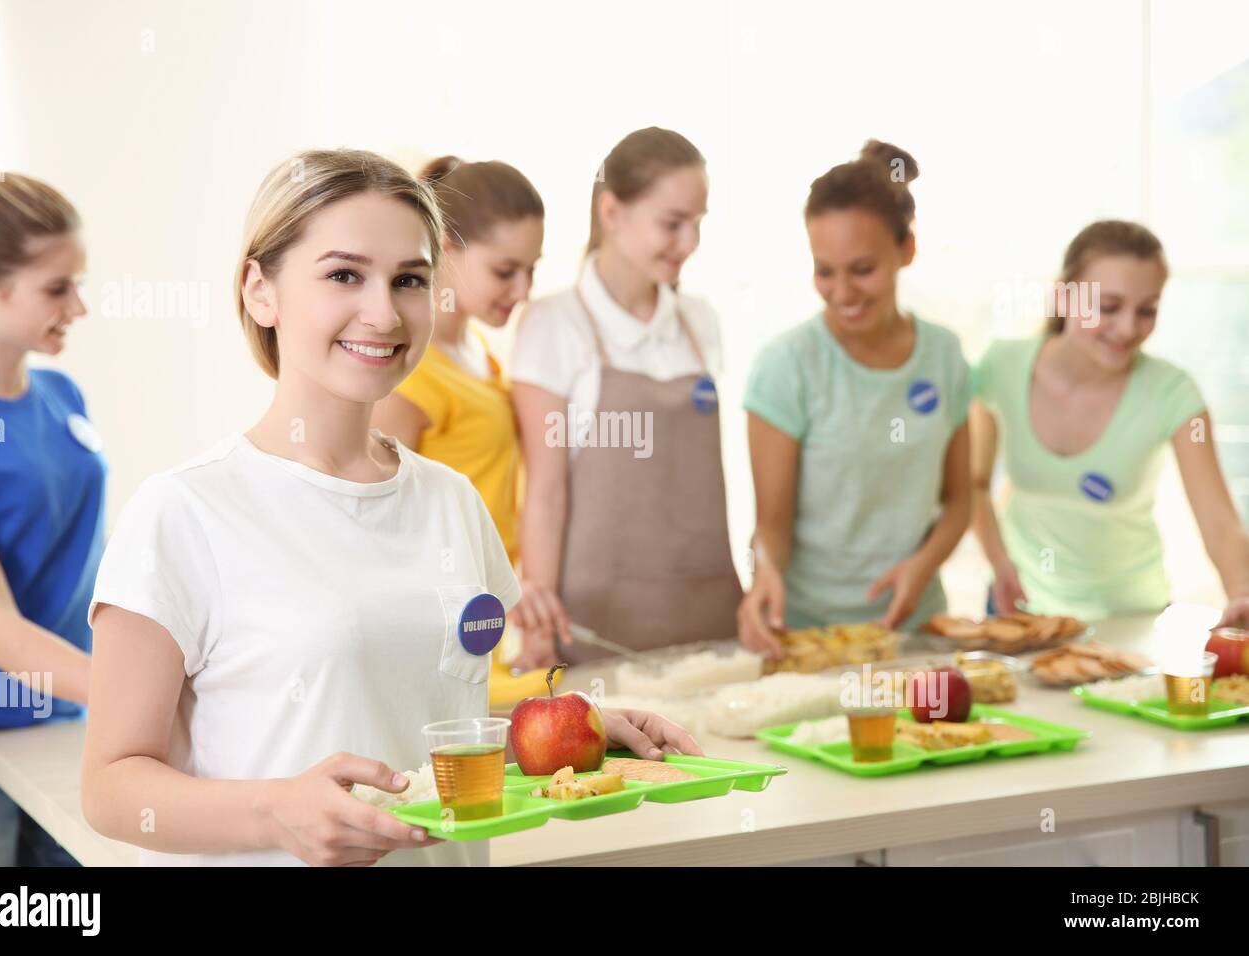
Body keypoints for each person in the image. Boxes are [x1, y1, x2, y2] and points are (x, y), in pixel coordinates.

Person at [81, 148, 700, 867]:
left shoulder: (452, 503)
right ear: (260, 290)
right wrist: (274, 812)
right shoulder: (184, 512)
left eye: (409, 280)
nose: (383, 312)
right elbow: (111, 788)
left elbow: (417, 726)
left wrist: (564, 731)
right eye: (344, 274)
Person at [511, 128, 740, 667]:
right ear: (611, 212)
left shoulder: (699, 322)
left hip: (711, 617)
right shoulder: (553, 324)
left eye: (698, 224)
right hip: (598, 626)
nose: (689, 243)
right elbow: (544, 491)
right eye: (673, 223)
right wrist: (539, 621)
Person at [738, 142, 971, 658]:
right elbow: (770, 529)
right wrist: (764, 576)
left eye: (862, 269)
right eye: (825, 270)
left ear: (906, 249)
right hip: (812, 639)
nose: (842, 291)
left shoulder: (944, 355)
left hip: (919, 632)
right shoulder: (788, 365)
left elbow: (959, 501)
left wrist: (922, 565)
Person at [970, 220, 1249, 626]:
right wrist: (998, 562)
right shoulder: (1001, 366)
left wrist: (1242, 592)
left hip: (1132, 621)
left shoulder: (1173, 393)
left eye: (1147, 310)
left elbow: (1219, 522)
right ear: (1064, 297)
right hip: (1019, 612)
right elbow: (972, 483)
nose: (1128, 329)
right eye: (1109, 307)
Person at [0, 165, 103, 866]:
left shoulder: (63, 394)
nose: (78, 307)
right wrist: (131, 694)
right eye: (56, 288)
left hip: (65, 712)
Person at [371, 156, 543, 566]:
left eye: (532, 269)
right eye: (505, 271)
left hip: (488, 607)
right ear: (445, 248)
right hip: (441, 612)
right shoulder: (403, 376)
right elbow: (378, 530)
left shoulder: (479, 348)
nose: (523, 290)